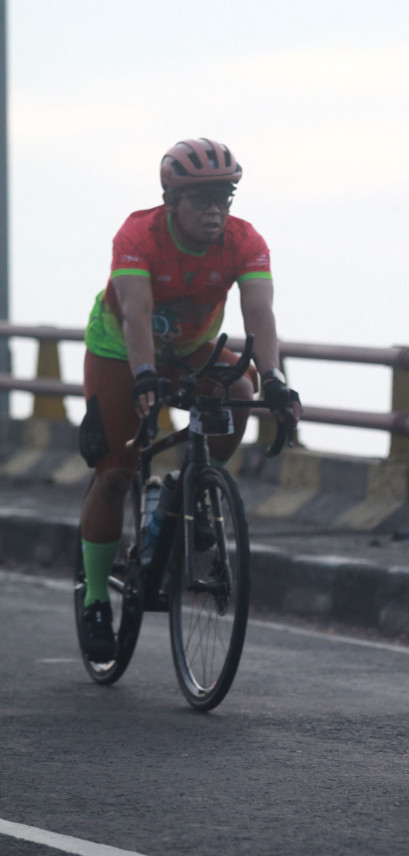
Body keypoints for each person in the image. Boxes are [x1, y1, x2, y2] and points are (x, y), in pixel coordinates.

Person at [77, 138, 300, 662]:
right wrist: (144, 376)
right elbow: (135, 313)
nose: (214, 210)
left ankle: (192, 486)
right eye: (201, 199)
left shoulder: (245, 241)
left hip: (191, 348)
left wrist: (274, 379)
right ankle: (95, 600)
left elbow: (260, 313)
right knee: (115, 473)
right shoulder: (139, 235)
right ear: (171, 200)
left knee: (240, 389)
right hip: (121, 351)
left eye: (224, 198)